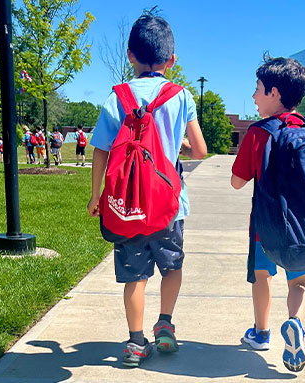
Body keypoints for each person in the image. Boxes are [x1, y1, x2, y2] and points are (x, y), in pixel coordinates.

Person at [87, 10, 207, 368]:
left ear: (130, 56)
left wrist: (96, 196)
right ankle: (165, 323)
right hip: (169, 206)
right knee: (172, 267)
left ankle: (135, 344)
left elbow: (100, 151)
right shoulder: (180, 96)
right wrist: (179, 146)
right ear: (171, 60)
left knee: (135, 276)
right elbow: (200, 150)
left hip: (127, 206)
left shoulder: (117, 97)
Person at [231, 56, 305, 373]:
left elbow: (237, 182)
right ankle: (296, 322)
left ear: (273, 93)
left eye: (258, 89)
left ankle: (260, 333)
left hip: (266, 226)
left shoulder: (258, 133)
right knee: (300, 283)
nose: (254, 96)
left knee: (262, 276)